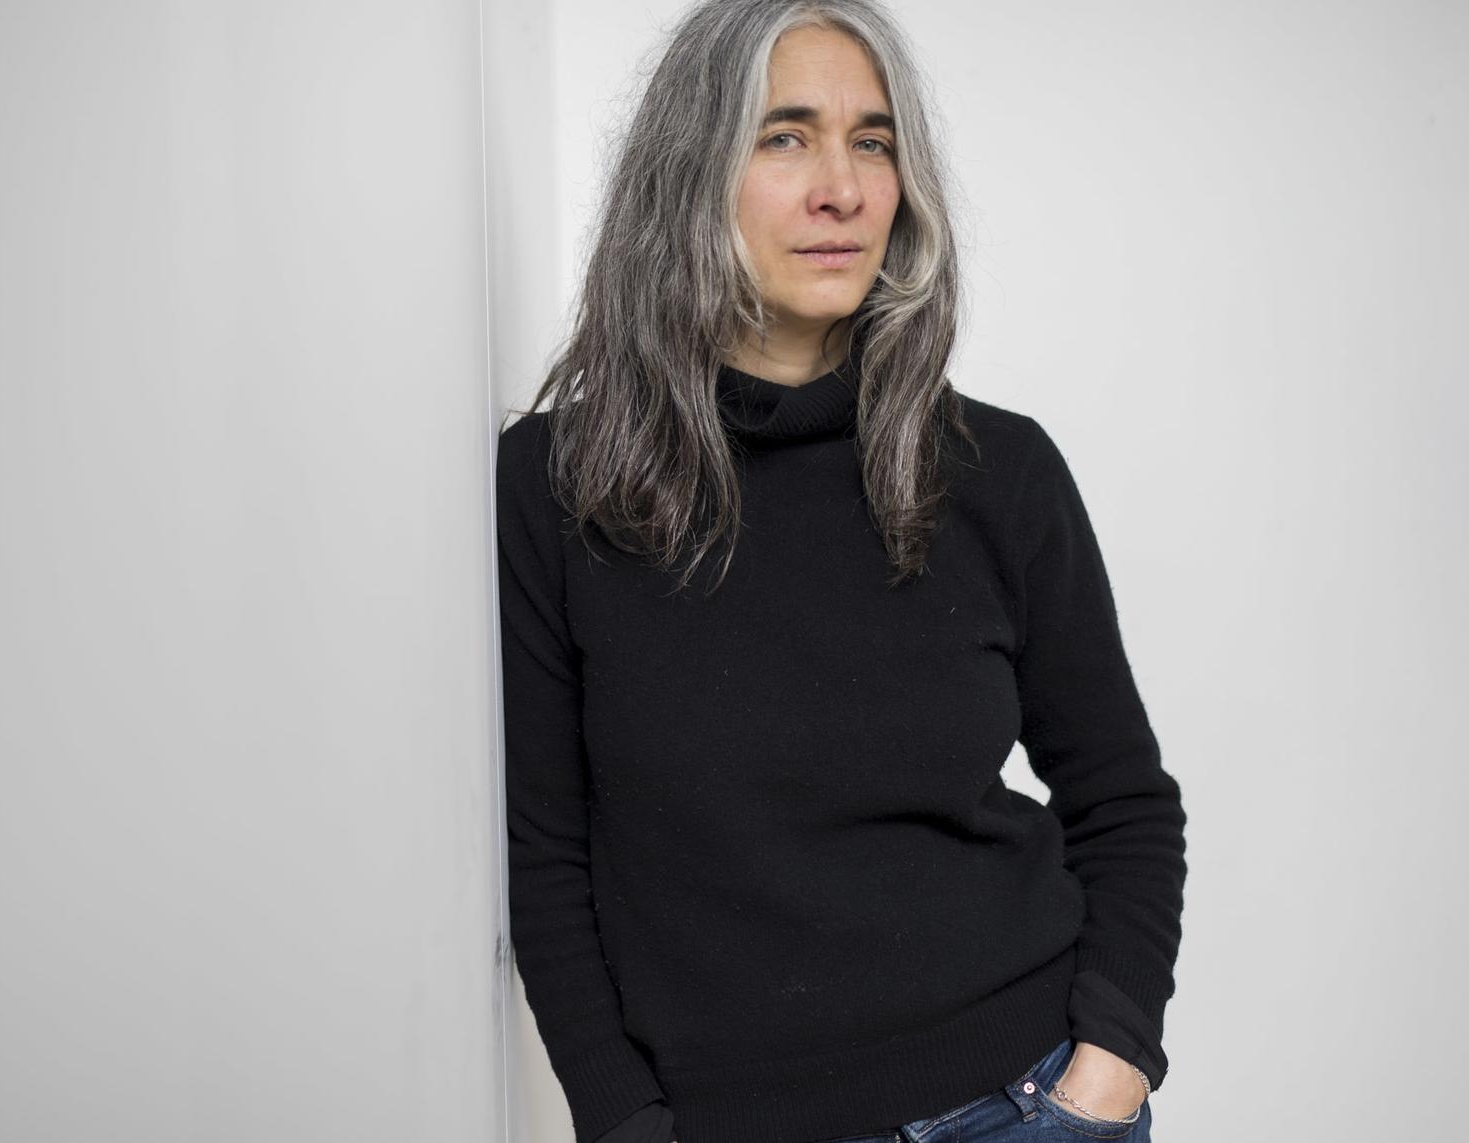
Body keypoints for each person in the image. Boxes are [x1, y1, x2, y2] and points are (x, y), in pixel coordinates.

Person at [493, 2, 1187, 1142]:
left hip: (1025, 1103)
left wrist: (1107, 1065)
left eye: (873, 141)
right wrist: (623, 1122)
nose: (844, 190)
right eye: (784, 136)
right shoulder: (557, 485)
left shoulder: (996, 469)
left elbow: (1122, 798)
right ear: (688, 171)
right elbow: (545, 856)